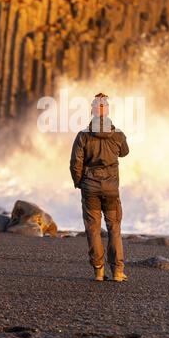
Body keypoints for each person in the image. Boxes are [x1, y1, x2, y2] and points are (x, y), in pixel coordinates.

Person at [70, 93, 129, 282]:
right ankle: (118, 272)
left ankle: (99, 271)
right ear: (108, 111)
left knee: (93, 229)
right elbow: (125, 152)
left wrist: (79, 182)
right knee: (114, 228)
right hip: (111, 189)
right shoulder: (117, 134)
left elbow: (75, 163)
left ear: (92, 111)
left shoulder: (83, 136)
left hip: (90, 189)